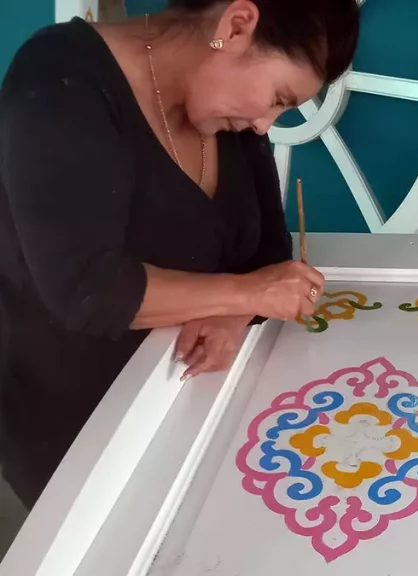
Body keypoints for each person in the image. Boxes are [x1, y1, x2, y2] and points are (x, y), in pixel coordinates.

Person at [0, 0, 359, 508]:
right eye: (278, 97)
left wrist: (235, 313)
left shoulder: (224, 116)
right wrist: (246, 293)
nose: (265, 125)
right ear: (235, 26)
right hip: (77, 425)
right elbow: (85, 290)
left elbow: (268, 254)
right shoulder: (59, 82)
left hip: (192, 406)